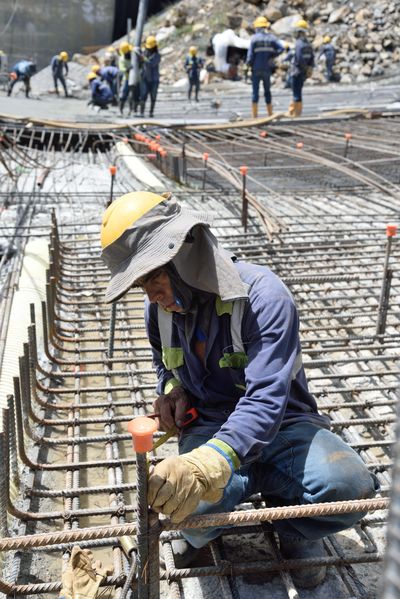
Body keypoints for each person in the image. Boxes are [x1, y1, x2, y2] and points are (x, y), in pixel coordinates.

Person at [100, 191, 379, 589]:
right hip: (210, 424)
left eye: (153, 279)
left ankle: (294, 527)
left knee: (350, 489)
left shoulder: (264, 296)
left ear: (183, 258)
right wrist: (174, 389)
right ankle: (211, 529)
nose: (151, 296)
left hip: (285, 426)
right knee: (184, 505)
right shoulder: (159, 310)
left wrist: (210, 463)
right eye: (142, 286)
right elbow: (165, 364)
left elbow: (267, 398)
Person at [246, 16, 284, 118]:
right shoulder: (271, 38)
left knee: (255, 92)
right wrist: (272, 55)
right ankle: (270, 114)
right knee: (267, 91)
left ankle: (254, 117)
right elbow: (282, 48)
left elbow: (250, 56)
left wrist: (248, 65)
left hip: (256, 69)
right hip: (267, 69)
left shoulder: (254, 39)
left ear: (257, 27)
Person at [287, 19, 314, 117]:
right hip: (303, 73)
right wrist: (309, 68)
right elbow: (312, 58)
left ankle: (294, 114)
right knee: (299, 92)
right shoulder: (308, 44)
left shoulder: (298, 43)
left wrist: (305, 68)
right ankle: (297, 112)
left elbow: (299, 58)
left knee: (296, 93)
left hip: (296, 72)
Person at [140, 35, 160, 118]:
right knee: (143, 96)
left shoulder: (157, 56)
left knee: (153, 96)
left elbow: (152, 64)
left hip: (154, 79)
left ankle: (151, 112)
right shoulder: (144, 53)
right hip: (145, 78)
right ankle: (142, 112)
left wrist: (144, 59)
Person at [118, 41, 132, 115]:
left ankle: (131, 111)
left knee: (132, 96)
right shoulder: (122, 59)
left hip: (135, 79)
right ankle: (121, 110)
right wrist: (128, 69)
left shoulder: (133, 55)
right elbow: (122, 69)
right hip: (126, 79)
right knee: (123, 95)